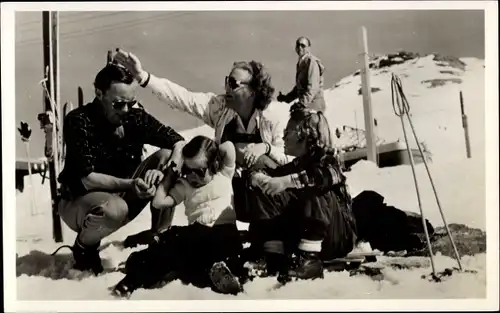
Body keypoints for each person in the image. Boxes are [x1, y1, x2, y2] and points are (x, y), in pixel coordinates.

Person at [55, 63, 186, 275]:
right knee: (115, 208)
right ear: (99, 93)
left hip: (124, 195)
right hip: (81, 202)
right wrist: (132, 184)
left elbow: (178, 142)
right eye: (118, 104)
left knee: (165, 156)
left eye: (130, 103)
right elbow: (88, 179)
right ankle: (84, 248)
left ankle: (160, 236)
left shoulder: (135, 116)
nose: (126, 110)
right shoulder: (79, 120)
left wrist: (165, 172)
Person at [112, 136, 243, 297]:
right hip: (199, 236)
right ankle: (134, 277)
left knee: (228, 253)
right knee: (172, 246)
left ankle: (225, 273)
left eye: (199, 171)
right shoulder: (185, 186)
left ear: (213, 165)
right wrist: (171, 174)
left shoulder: (224, 173)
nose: (193, 176)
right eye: (188, 170)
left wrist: (209, 151)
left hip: (225, 233)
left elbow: (229, 146)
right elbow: (158, 202)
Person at [246, 103, 357, 281]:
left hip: (337, 237)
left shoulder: (327, 160)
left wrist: (287, 181)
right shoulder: (298, 163)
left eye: (288, 131)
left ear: (304, 136)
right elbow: (273, 178)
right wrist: (259, 178)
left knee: (314, 186)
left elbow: (327, 176)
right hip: (312, 236)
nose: (283, 136)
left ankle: (310, 260)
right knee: (270, 189)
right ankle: (274, 256)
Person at [277, 36, 326, 112]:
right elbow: (299, 88)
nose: (300, 47)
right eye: (298, 45)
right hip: (306, 106)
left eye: (303, 45)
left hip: (314, 108)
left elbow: (313, 87)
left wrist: (301, 103)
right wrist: (286, 98)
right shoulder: (302, 63)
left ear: (308, 48)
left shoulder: (312, 63)